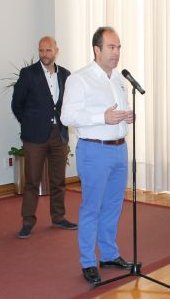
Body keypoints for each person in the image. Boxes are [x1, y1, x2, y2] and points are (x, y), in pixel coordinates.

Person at [60, 27, 134, 285]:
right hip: (94, 150)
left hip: (119, 148)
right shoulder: (79, 79)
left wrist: (126, 117)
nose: (116, 52)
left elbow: (117, 112)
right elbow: (67, 117)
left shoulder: (119, 79)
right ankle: (88, 261)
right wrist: (101, 117)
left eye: (119, 47)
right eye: (111, 47)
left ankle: (109, 254)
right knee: (92, 207)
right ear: (97, 49)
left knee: (114, 205)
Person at [11, 36, 77, 239]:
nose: (44, 54)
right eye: (41, 50)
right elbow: (16, 104)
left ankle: (58, 217)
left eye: (48, 50)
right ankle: (27, 222)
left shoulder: (65, 74)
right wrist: (29, 123)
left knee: (58, 180)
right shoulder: (28, 73)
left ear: (56, 50)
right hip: (34, 137)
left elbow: (69, 104)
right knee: (32, 181)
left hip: (59, 134)